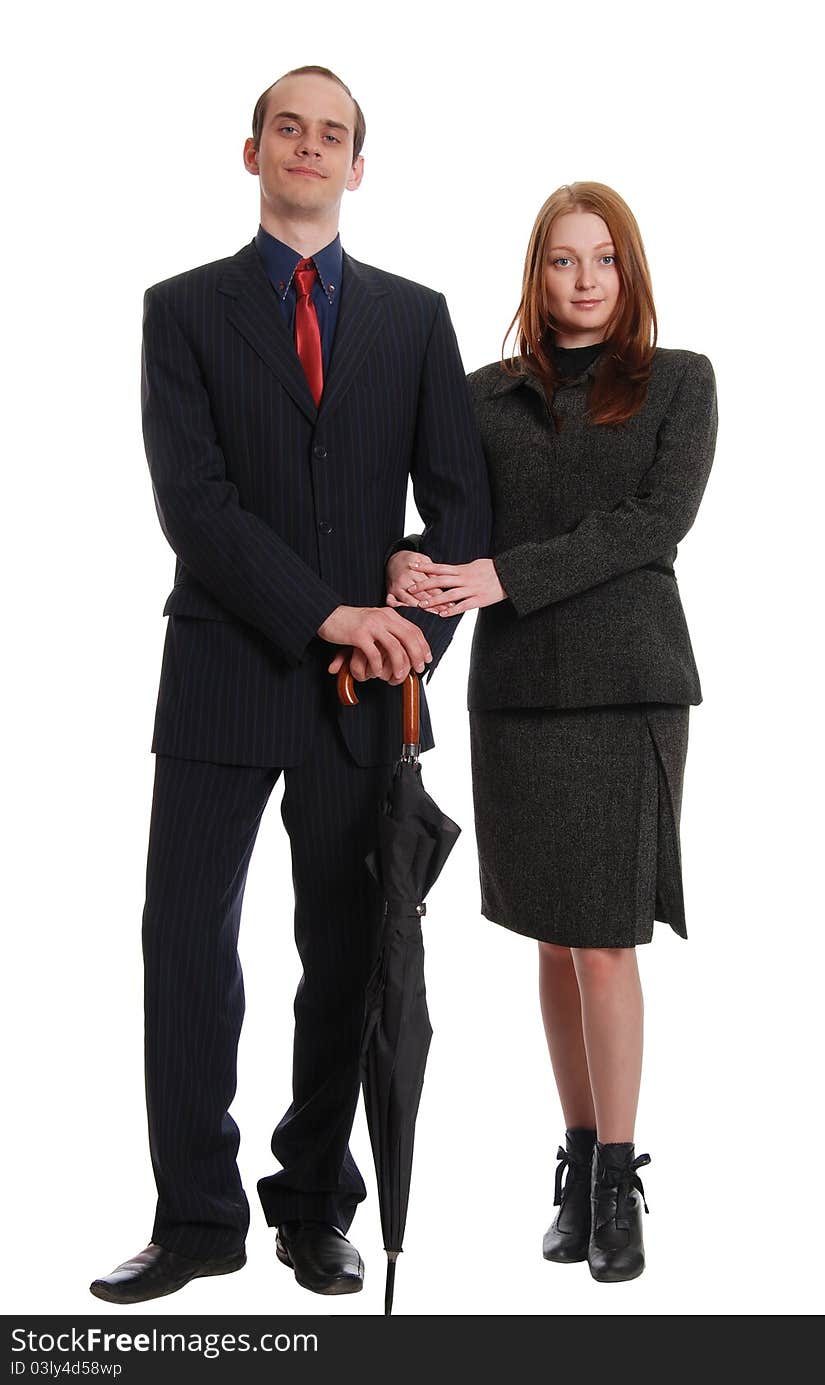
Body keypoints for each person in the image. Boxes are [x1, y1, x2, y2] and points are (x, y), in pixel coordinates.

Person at [90, 65, 491, 1305]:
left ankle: (315, 1203)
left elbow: (461, 507)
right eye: (289, 129)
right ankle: (197, 1214)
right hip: (221, 670)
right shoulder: (181, 311)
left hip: (363, 696)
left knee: (348, 949)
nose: (309, 147)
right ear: (251, 150)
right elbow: (195, 507)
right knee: (183, 943)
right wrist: (331, 612)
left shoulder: (417, 319)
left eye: (333, 136)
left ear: (357, 168)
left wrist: (411, 637)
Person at [386, 182, 718, 1284]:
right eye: (562, 261)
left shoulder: (678, 384)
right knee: (549, 933)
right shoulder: (484, 399)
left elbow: (651, 524)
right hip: (520, 695)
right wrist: (404, 560)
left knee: (608, 938)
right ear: (535, 274)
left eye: (603, 260)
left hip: (625, 690)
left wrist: (505, 575)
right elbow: (452, 526)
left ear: (629, 274)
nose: (582, 281)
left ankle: (618, 1179)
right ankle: (575, 1163)